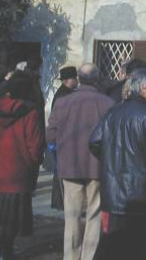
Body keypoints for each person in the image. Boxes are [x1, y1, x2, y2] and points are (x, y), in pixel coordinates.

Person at [90, 68, 146, 259]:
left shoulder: (113, 113)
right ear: (144, 87)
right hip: (142, 194)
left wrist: (111, 162)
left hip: (116, 192)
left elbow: (95, 142)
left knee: (116, 246)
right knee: (142, 246)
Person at [46, 63, 114, 260]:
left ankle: (71, 257)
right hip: (97, 165)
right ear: (97, 79)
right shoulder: (107, 103)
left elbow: (50, 135)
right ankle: (89, 257)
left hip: (70, 165)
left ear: (79, 78)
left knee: (72, 216)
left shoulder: (62, 102)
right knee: (94, 216)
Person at [0, 72, 45, 260]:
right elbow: (35, 144)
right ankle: (5, 252)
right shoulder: (30, 113)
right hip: (19, 173)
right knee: (12, 219)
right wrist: (32, 162)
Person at [49, 65, 79, 211]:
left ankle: (59, 201)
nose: (77, 81)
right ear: (69, 80)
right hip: (64, 138)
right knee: (62, 172)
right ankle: (60, 201)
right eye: (75, 78)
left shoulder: (64, 93)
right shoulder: (65, 95)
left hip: (62, 138)